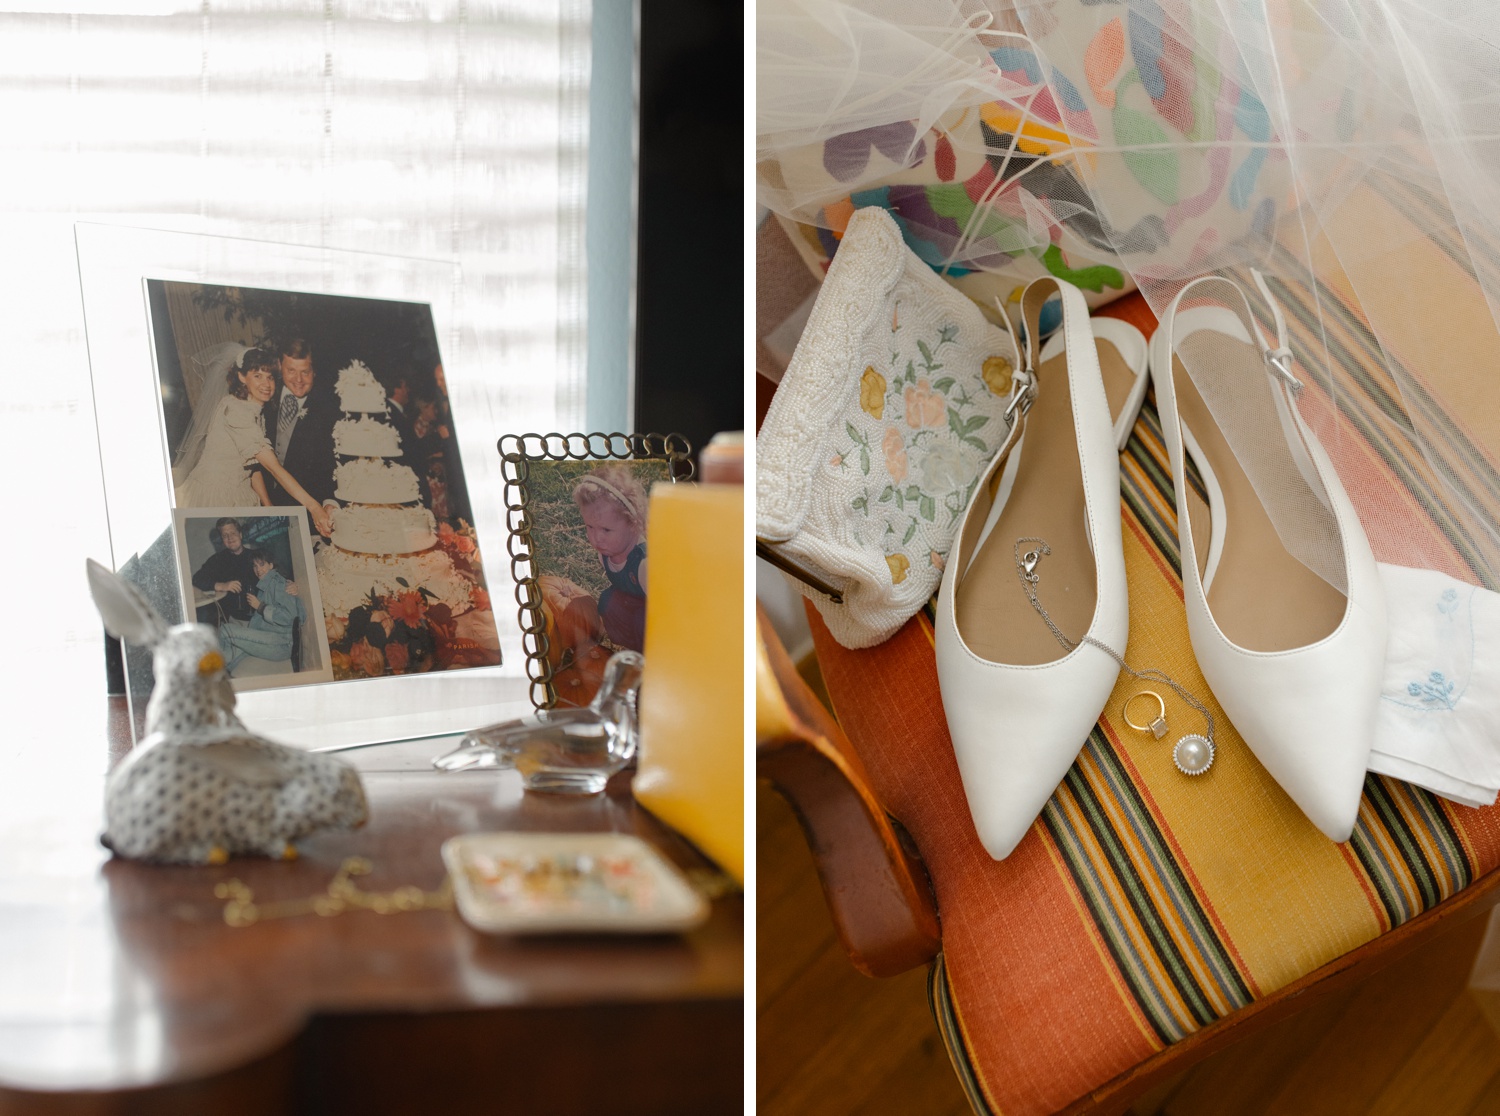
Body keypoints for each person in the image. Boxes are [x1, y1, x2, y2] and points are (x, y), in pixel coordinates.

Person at [173, 349, 333, 537]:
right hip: (215, 494)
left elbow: (252, 466)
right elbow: (273, 467)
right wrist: (314, 507)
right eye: (257, 376)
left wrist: (269, 507)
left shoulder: (253, 410)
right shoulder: (236, 411)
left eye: (270, 377)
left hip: (240, 491)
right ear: (242, 377)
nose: (266, 384)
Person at [572, 463, 649, 653]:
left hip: (655, 612)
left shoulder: (644, 566)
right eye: (590, 527)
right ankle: (630, 647)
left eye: (606, 530)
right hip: (632, 602)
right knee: (608, 601)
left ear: (633, 524)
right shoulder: (605, 554)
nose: (596, 538)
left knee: (642, 620)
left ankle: (649, 654)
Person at [257, 338, 337, 513]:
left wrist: (330, 500)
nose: (298, 380)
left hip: (304, 508)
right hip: (258, 501)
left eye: (305, 372)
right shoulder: (263, 394)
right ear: (280, 366)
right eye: (291, 371)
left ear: (314, 371)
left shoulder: (329, 408)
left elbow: (332, 462)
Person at [218, 548, 307, 675]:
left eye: (262, 564)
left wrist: (260, 606)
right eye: (255, 566)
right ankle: (221, 674)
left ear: (271, 565)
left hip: (281, 644)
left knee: (225, 630)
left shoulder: (278, 583)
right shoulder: (266, 583)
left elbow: (290, 617)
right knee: (232, 653)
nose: (258, 569)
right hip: (271, 637)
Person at [190, 518, 260, 624]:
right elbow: (197, 579)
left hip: (260, 616)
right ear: (222, 539)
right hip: (235, 620)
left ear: (240, 535)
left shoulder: (257, 556)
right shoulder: (217, 560)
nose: (230, 538)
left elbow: (278, 574)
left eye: (233, 533)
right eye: (225, 535)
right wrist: (221, 585)